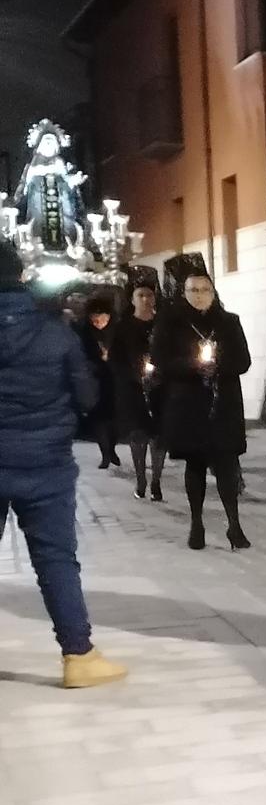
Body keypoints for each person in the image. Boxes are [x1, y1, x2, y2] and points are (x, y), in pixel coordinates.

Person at [0, 244, 125, 688]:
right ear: (20, 276)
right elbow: (88, 397)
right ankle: (78, 656)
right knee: (55, 560)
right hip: (46, 465)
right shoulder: (57, 332)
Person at [153, 261, 253, 551]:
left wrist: (218, 366)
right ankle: (196, 524)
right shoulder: (171, 322)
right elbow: (160, 358)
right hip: (189, 403)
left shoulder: (229, 322)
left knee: (227, 466)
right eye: (194, 290)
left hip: (224, 404)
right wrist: (192, 367)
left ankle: (234, 525)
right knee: (195, 463)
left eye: (205, 289)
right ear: (184, 292)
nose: (199, 295)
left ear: (213, 292)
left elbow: (244, 361)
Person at [110, 272, 164, 501]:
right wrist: (133, 376)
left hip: (160, 388)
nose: (145, 299)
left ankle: (156, 481)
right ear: (132, 299)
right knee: (138, 435)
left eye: (149, 295)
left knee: (158, 436)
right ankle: (141, 478)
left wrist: (161, 375)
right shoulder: (123, 327)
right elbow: (115, 359)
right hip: (132, 389)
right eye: (140, 295)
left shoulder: (162, 324)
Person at [73, 292, 120, 470]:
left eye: (101, 317)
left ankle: (112, 447)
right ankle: (105, 453)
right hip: (95, 380)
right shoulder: (84, 332)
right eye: (94, 317)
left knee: (115, 418)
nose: (98, 320)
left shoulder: (117, 331)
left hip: (115, 379)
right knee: (99, 419)